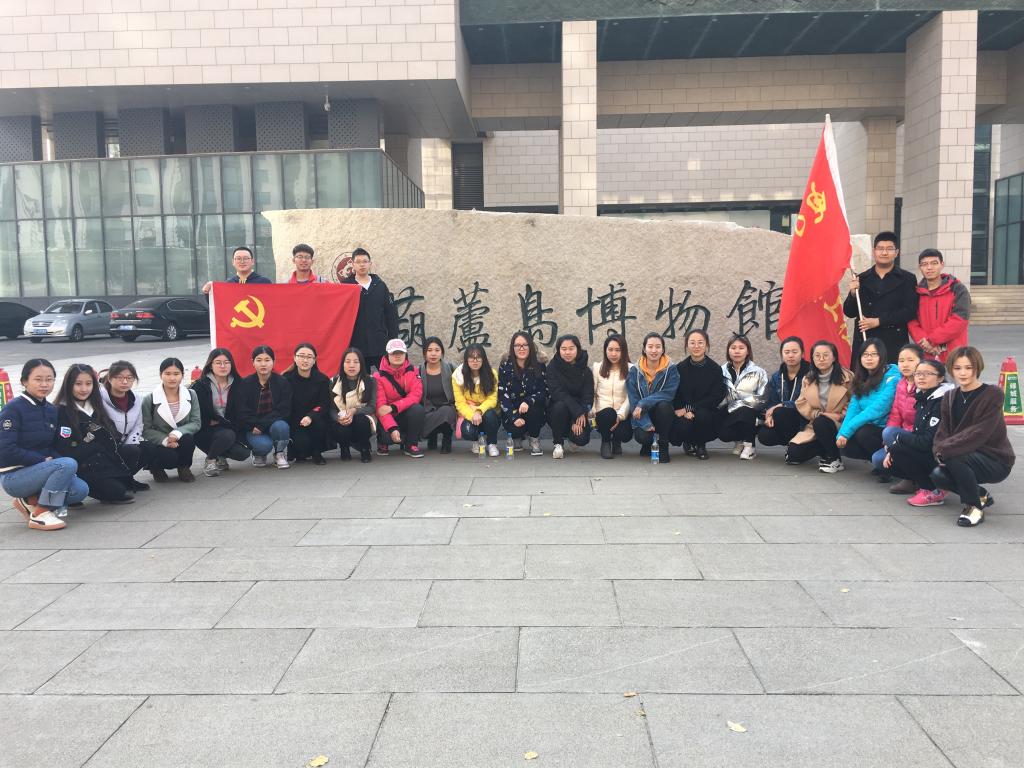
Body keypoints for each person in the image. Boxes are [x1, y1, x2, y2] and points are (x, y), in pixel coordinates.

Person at [931, 346, 1016, 527]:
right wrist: (938, 449)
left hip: (995, 459)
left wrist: (946, 449)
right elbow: (943, 430)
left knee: (954, 456)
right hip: (962, 454)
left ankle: (974, 507)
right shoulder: (949, 396)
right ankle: (980, 494)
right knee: (938, 475)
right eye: (957, 368)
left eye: (968, 368)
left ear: (977, 368)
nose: (963, 373)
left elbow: (980, 432)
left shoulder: (992, 394)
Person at [0, 358, 88, 530]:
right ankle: (41, 513)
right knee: (67, 464)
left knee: (80, 490)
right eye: (38, 379)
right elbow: (5, 449)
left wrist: (63, 468)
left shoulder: (50, 409)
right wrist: (42, 461)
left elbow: (50, 446)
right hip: (14, 476)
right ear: (24, 381)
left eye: (49, 379)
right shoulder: (13, 409)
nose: (44, 384)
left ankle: (30, 501)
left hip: (40, 471)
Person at [54, 364, 136, 504]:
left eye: (88, 384)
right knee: (116, 491)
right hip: (82, 465)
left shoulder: (95, 405)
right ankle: (74, 491)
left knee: (134, 450)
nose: (84, 389)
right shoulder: (62, 411)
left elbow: (112, 433)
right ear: (68, 385)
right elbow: (66, 451)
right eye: (78, 384)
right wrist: (94, 445)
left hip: (103, 459)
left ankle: (121, 480)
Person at [882, 359, 954, 507]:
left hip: (943, 456)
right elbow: (917, 433)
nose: (921, 377)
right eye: (918, 373)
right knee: (892, 454)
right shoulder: (923, 396)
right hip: (929, 450)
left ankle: (933, 490)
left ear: (940, 378)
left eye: (927, 374)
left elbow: (928, 441)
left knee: (897, 447)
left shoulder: (941, 402)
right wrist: (895, 446)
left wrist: (899, 440)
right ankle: (926, 486)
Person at [843, 231, 918, 364]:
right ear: (874, 252)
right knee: (864, 376)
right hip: (865, 341)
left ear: (897, 252)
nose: (884, 253)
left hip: (893, 341)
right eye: (880, 249)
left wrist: (879, 321)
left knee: (891, 375)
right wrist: (853, 294)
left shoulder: (907, 279)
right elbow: (849, 312)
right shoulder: (862, 278)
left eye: (889, 249)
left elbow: (910, 311)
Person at [785, 340, 854, 473]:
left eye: (825, 355)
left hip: (840, 422)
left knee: (822, 423)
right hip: (816, 422)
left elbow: (855, 401)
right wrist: (817, 414)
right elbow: (801, 402)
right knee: (794, 455)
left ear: (834, 357)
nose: (821, 359)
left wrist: (840, 415)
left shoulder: (847, 377)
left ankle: (835, 459)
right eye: (817, 356)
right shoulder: (808, 378)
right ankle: (825, 450)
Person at [836, 338, 901, 470]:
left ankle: (890, 467)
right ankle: (877, 462)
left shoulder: (893, 378)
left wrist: (847, 431)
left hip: (888, 429)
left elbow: (877, 409)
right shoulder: (861, 378)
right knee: (846, 445)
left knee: (863, 433)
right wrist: (841, 434)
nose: (869, 358)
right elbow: (853, 408)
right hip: (871, 427)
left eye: (874, 354)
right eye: (865, 354)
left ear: (882, 356)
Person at [870, 343, 924, 492]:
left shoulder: (925, 385)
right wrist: (889, 443)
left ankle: (916, 479)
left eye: (910, 360)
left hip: (920, 436)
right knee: (878, 459)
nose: (905, 364)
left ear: (921, 361)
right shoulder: (901, 384)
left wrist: (895, 444)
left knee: (889, 434)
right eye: (901, 360)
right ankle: (912, 476)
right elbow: (895, 415)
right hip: (903, 435)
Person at [191, 348, 251, 477]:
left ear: (231, 364)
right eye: (218, 363)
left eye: (226, 362)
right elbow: (196, 414)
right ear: (210, 365)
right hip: (205, 429)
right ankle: (211, 460)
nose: (223, 366)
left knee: (243, 453)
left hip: (230, 427)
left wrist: (223, 422)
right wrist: (211, 421)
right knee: (226, 435)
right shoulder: (200, 386)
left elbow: (242, 413)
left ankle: (219, 454)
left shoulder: (240, 384)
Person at [141, 357, 201, 483]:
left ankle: (183, 467)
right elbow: (146, 429)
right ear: (160, 375)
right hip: (159, 441)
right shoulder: (149, 399)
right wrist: (165, 440)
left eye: (176, 374)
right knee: (169, 458)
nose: (172, 378)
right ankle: (156, 468)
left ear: (182, 375)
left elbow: (196, 422)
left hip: (180, 439)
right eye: (167, 374)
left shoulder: (191, 394)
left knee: (188, 438)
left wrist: (177, 433)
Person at [98, 361, 154, 491]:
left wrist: (130, 442)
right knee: (130, 451)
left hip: (126, 444)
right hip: (107, 446)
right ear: (110, 378)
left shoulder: (137, 400)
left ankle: (127, 479)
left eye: (129, 378)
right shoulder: (99, 399)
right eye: (119, 378)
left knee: (148, 448)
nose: (125, 382)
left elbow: (138, 425)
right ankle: (116, 481)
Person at [907, 248, 970, 363]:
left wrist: (931, 341)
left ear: (942, 264)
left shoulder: (957, 289)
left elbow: (959, 320)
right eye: (924, 264)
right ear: (920, 267)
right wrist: (924, 342)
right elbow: (911, 320)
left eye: (934, 263)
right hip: (926, 356)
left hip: (954, 356)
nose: (929, 267)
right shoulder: (916, 292)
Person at [670, 329, 725, 461]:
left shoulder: (715, 369)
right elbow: (676, 394)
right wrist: (684, 410)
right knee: (684, 425)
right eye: (692, 343)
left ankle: (701, 445)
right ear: (687, 345)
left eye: (700, 342)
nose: (696, 346)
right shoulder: (680, 368)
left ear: (706, 345)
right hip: (684, 411)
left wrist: (689, 408)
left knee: (702, 416)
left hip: (706, 410)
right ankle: (688, 442)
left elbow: (716, 396)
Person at [236, 345, 292, 469]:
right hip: (253, 427)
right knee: (263, 446)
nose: (263, 364)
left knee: (281, 426)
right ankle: (258, 453)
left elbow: (283, 409)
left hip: (273, 423)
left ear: (273, 362)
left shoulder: (282, 382)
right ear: (253, 362)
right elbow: (242, 411)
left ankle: (279, 453)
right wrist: (254, 425)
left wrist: (262, 425)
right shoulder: (245, 383)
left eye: (267, 360)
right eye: (259, 360)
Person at [342, 248, 399, 369]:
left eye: (365, 261)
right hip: (356, 345)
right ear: (353, 264)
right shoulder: (346, 286)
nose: (362, 265)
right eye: (358, 262)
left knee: (386, 376)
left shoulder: (380, 285)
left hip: (379, 343)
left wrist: (393, 340)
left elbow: (391, 314)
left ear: (370, 264)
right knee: (360, 379)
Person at [626, 332, 678, 462]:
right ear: (644, 349)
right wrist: (646, 423)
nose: (654, 350)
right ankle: (648, 444)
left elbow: (668, 393)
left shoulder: (671, 369)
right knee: (643, 436)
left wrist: (643, 402)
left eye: (658, 347)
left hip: (662, 414)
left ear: (663, 349)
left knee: (664, 406)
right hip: (643, 414)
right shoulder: (634, 371)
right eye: (650, 346)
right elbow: (633, 400)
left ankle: (663, 445)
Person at [717, 334, 768, 461]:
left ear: (748, 351)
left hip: (751, 413)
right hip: (729, 412)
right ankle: (740, 441)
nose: (737, 351)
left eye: (741, 348)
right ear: (728, 351)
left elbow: (762, 399)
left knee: (745, 411)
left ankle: (750, 446)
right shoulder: (721, 371)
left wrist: (738, 404)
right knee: (723, 434)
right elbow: (718, 396)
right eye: (733, 348)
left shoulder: (759, 372)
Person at [498, 331, 549, 456]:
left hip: (532, 409)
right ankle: (517, 437)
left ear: (530, 346)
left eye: (525, 345)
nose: (521, 348)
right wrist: (514, 416)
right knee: (514, 427)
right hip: (513, 410)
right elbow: (502, 394)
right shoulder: (505, 366)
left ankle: (534, 439)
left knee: (534, 409)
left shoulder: (539, 365)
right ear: (512, 348)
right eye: (517, 345)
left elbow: (544, 391)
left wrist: (528, 401)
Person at [756, 336, 810, 450]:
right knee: (764, 435)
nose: (790, 355)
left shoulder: (811, 375)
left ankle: (799, 446)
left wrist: (783, 405)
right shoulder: (777, 376)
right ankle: (792, 444)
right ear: (782, 354)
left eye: (794, 352)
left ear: (802, 353)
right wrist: (770, 415)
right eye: (787, 352)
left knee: (780, 411)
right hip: (782, 419)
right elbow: (772, 401)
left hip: (804, 419)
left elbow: (808, 402)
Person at [374, 338, 425, 458]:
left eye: (400, 353)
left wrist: (393, 407)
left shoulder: (413, 371)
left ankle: (411, 444)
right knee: (388, 436)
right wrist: (392, 429)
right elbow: (381, 407)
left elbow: (416, 395)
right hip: (386, 416)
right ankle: (382, 442)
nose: (397, 356)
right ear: (387, 355)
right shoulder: (378, 377)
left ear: (405, 354)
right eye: (394, 353)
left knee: (417, 409)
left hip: (402, 412)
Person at [283, 342, 332, 465]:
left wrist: (310, 416)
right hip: (295, 421)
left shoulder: (322, 379)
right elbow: (284, 405)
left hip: (315, 419)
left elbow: (324, 404)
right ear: (295, 358)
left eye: (309, 357)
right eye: (301, 356)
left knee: (320, 423)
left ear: (314, 360)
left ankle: (317, 452)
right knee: (302, 445)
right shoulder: (286, 379)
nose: (305, 360)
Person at [546, 334, 594, 459]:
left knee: (581, 438)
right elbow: (557, 393)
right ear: (558, 350)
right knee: (560, 406)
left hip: (580, 411)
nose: (567, 352)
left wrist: (576, 418)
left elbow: (588, 396)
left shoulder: (585, 371)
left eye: (571, 348)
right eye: (564, 349)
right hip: (558, 411)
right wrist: (577, 412)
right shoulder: (552, 367)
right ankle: (558, 443)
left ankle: (571, 438)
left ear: (577, 349)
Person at [329, 347, 377, 463]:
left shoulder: (370, 381)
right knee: (340, 426)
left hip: (361, 418)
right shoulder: (334, 382)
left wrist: (354, 411)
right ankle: (344, 448)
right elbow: (331, 409)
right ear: (342, 364)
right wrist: (339, 418)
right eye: (348, 361)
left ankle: (365, 448)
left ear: (361, 364)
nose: (351, 365)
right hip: (343, 418)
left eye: (356, 362)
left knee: (361, 420)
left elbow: (371, 406)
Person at [453, 343, 500, 457]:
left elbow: (492, 399)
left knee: (489, 415)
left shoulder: (492, 374)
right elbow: (460, 403)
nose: (475, 361)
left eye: (478, 357)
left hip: (488, 412)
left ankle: (492, 443)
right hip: (470, 413)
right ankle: (476, 441)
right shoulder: (458, 377)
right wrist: (473, 414)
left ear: (483, 359)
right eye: (471, 358)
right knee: (467, 432)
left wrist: (479, 410)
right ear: (466, 359)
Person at [591, 334, 633, 459]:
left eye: (617, 350)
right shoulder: (597, 367)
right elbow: (592, 392)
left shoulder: (631, 369)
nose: (613, 354)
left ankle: (616, 440)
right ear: (605, 350)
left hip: (622, 414)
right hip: (602, 413)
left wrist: (620, 415)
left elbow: (631, 396)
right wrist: (593, 410)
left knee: (625, 434)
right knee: (608, 413)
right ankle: (605, 442)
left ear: (623, 351)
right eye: (610, 350)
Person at [419, 336, 457, 454]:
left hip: (447, 407)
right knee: (420, 414)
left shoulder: (451, 368)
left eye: (437, 350)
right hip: (428, 409)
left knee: (446, 411)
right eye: (429, 350)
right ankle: (432, 435)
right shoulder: (419, 371)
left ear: (442, 352)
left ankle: (447, 439)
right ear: (424, 353)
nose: (433, 354)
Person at [201, 245, 273, 294]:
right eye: (238, 258)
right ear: (233, 262)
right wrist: (208, 292)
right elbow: (219, 306)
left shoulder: (264, 282)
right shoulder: (228, 284)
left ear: (252, 261)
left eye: (246, 258)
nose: (242, 261)